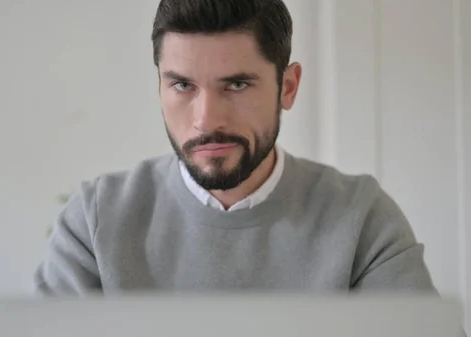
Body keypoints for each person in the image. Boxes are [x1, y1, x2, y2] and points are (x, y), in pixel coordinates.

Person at [34, 0, 436, 295]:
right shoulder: (95, 220)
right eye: (182, 85)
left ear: (288, 87)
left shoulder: (361, 218)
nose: (207, 120)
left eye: (237, 84)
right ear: (160, 86)